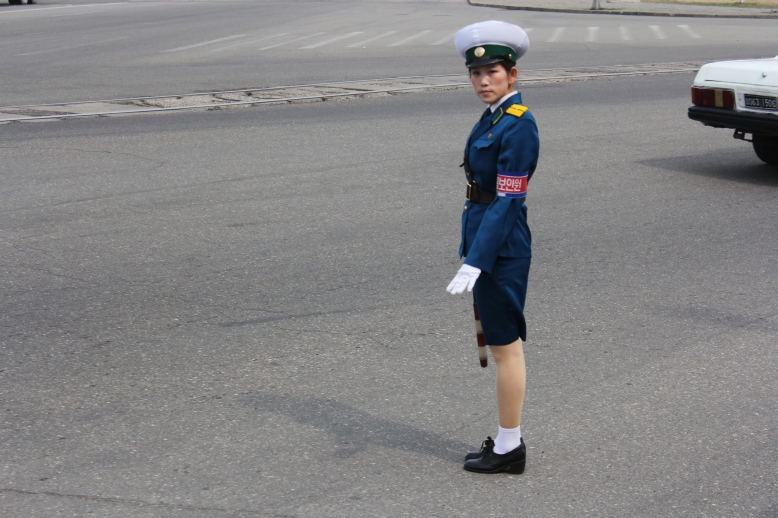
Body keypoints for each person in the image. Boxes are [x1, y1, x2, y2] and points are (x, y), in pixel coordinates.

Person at [446, 20, 539, 475]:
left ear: (512, 75)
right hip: (487, 240)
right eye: (476, 75)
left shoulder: (519, 125)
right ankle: (507, 442)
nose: (483, 82)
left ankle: (509, 447)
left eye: (494, 73)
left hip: (500, 249)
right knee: (504, 346)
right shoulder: (495, 116)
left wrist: (478, 260)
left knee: (506, 348)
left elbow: (508, 198)